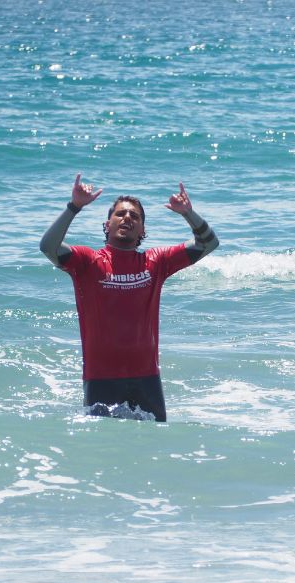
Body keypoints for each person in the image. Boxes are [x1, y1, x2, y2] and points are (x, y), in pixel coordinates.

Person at [39, 173, 219, 421]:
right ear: (107, 225)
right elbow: (48, 247)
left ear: (143, 229)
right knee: (104, 449)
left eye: (135, 216)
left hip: (147, 379)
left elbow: (208, 243)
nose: (127, 218)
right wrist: (74, 207)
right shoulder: (87, 262)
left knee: (153, 449)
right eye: (120, 214)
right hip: (101, 379)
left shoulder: (155, 262)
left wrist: (188, 213)